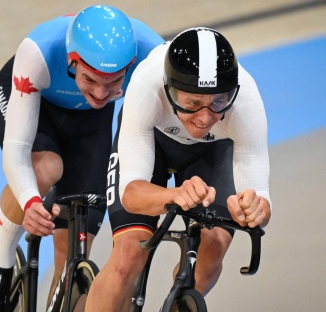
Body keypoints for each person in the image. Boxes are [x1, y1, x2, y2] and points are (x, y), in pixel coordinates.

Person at [0, 5, 164, 311]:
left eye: (114, 82)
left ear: (131, 64)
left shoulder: (154, 54)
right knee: (46, 168)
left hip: (90, 122)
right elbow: (16, 148)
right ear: (72, 61)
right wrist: (29, 201)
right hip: (33, 102)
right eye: (90, 79)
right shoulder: (38, 52)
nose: (102, 92)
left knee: (73, 256)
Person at [85, 27, 272, 311]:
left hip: (213, 150)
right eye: (193, 103)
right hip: (154, 142)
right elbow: (132, 193)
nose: (205, 117)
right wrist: (171, 195)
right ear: (170, 90)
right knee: (127, 256)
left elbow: (260, 196)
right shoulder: (147, 85)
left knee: (212, 252)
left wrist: (254, 208)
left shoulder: (246, 103)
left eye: (218, 102)